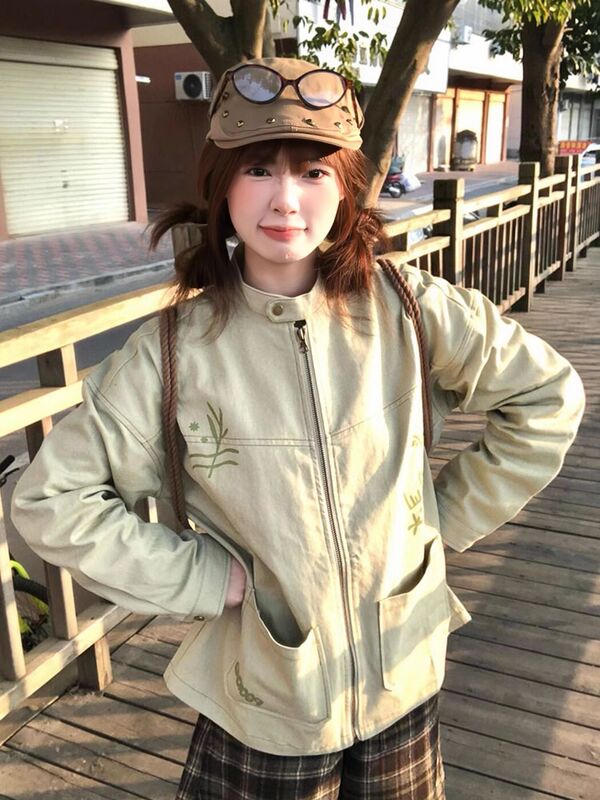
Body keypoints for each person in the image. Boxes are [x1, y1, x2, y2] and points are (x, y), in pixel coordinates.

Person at [11, 57, 585, 800]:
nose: (285, 198)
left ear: (345, 187)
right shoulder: (172, 354)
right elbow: (50, 502)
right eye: (258, 169)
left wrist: (438, 523)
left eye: (313, 172)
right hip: (267, 700)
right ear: (222, 186)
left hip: (403, 675)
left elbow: (547, 396)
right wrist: (199, 577)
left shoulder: (408, 308)